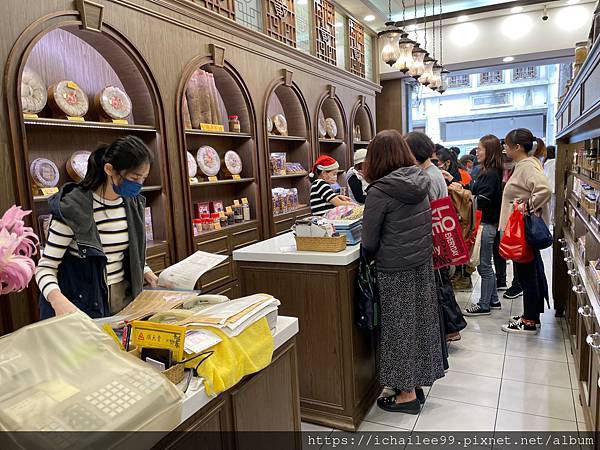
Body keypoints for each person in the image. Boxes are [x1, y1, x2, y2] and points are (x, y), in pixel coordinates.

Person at [362, 130, 444, 414]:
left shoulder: (380, 190)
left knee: (398, 329)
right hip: (420, 264)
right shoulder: (420, 180)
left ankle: (406, 395)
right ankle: (414, 383)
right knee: (418, 325)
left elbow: (369, 241)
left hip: (395, 268)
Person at [35, 136, 159, 318]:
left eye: (143, 178)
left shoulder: (132, 204)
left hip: (123, 299)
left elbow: (122, 251)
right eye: (134, 178)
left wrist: (145, 270)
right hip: (84, 303)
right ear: (109, 169)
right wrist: (57, 300)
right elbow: (45, 267)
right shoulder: (73, 208)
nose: (139, 185)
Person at [406, 131, 466, 352]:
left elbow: (427, 208)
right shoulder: (433, 171)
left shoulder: (428, 176)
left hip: (433, 236)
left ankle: (450, 328)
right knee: (441, 285)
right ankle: (451, 328)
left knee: (438, 287)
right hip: (439, 233)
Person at [499, 128, 551, 334]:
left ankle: (529, 320)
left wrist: (527, 206)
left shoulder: (527, 166)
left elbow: (544, 189)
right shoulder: (524, 165)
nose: (504, 148)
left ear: (517, 147)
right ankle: (531, 315)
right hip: (522, 229)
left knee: (527, 275)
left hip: (523, 230)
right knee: (530, 273)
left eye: (506, 145)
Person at [464, 135, 504, 316]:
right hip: (487, 224)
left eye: (480, 148)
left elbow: (483, 201)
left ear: (490, 151)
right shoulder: (489, 171)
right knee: (486, 264)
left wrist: (465, 198)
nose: (477, 152)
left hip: (486, 224)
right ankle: (493, 299)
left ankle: (484, 304)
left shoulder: (490, 174)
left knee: (484, 266)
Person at [544, 145, 556, 226]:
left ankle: (549, 223)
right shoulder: (555, 162)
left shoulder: (545, 162)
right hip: (554, 186)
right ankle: (553, 222)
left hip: (547, 186)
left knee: (548, 207)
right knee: (553, 206)